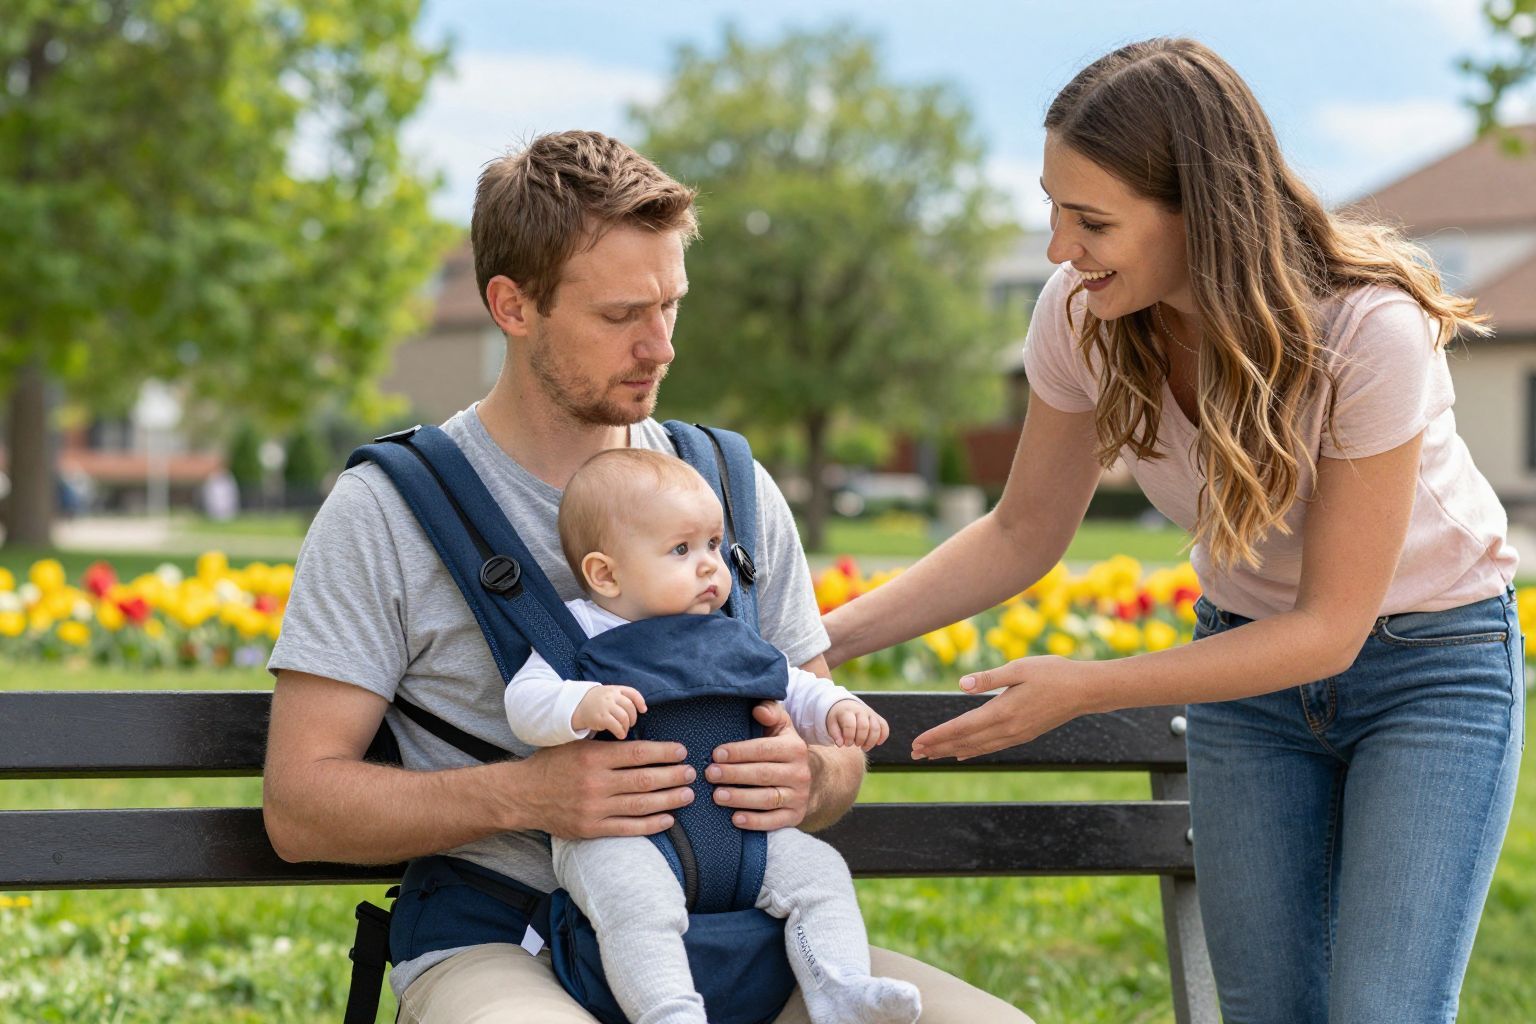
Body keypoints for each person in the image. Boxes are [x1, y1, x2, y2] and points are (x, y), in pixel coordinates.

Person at [822, 37, 1522, 1024]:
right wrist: (824, 638)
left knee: (1382, 1011)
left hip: (1430, 670)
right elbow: (1022, 530)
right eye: (1053, 207)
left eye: (1092, 219)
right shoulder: (1080, 319)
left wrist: (1086, 689)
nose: (1061, 247)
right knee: (1269, 1010)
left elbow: (1331, 628)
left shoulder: (1367, 329)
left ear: (1201, 212)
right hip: (1245, 673)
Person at [261, 129, 1033, 1023]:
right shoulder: (386, 509)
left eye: (671, 305)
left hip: (739, 939)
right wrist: (530, 793)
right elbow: (301, 806)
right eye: (622, 315)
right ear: (512, 306)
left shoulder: (730, 490)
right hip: (506, 941)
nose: (660, 346)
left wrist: (813, 777)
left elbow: (832, 756)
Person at [508, 446, 918, 1024]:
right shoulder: (582, 631)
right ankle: (669, 1011)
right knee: (638, 906)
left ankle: (842, 988)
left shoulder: (725, 631)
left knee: (821, 873)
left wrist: (837, 709)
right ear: (605, 573)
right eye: (681, 550)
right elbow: (524, 703)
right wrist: (581, 704)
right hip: (621, 835)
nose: (709, 566)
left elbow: (790, 683)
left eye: (711, 545)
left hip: (739, 832)